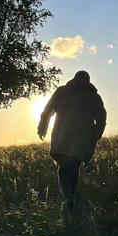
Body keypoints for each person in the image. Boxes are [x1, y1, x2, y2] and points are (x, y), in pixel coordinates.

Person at [37, 71, 107, 220]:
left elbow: (48, 110)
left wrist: (42, 127)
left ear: (74, 78)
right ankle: (71, 199)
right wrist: (94, 136)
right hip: (81, 143)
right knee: (73, 169)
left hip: (61, 139)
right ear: (88, 80)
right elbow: (101, 120)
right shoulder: (94, 97)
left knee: (63, 168)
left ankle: (68, 199)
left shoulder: (62, 91)